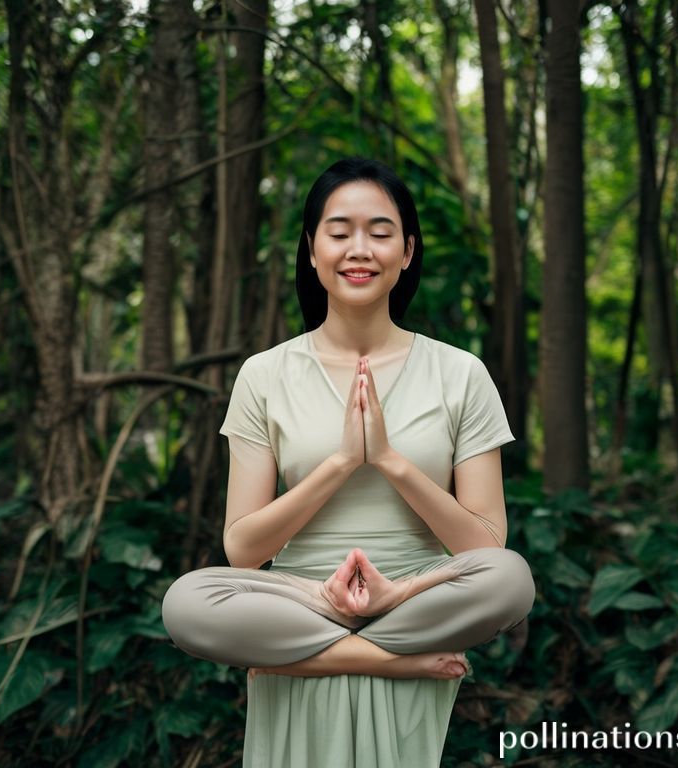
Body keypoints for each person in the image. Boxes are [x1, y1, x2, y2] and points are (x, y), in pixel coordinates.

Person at [161, 157, 535, 767]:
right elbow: (243, 551)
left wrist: (389, 460)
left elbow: (486, 548)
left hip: (418, 599)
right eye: (339, 231)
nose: (359, 249)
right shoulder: (266, 374)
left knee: (513, 577)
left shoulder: (460, 374)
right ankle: (382, 656)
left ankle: (343, 639)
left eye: (380, 232)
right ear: (311, 249)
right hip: (300, 599)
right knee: (186, 601)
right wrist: (340, 461)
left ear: (408, 250)